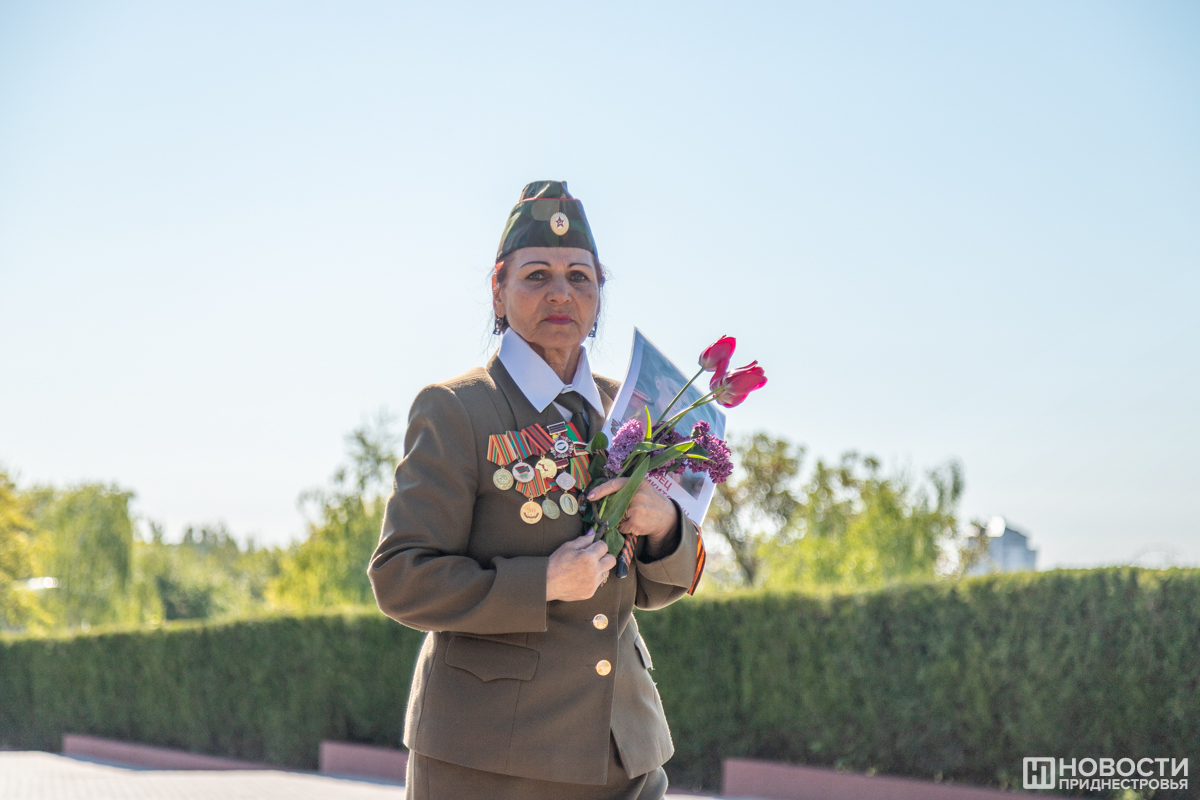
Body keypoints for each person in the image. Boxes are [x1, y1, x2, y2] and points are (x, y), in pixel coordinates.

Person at [368, 180, 706, 800]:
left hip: (623, 751)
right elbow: (401, 578)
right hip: (491, 759)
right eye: (536, 276)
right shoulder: (457, 409)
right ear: (498, 291)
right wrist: (542, 581)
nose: (560, 292)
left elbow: (659, 586)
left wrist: (663, 525)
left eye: (580, 277)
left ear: (599, 295)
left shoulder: (632, 410)